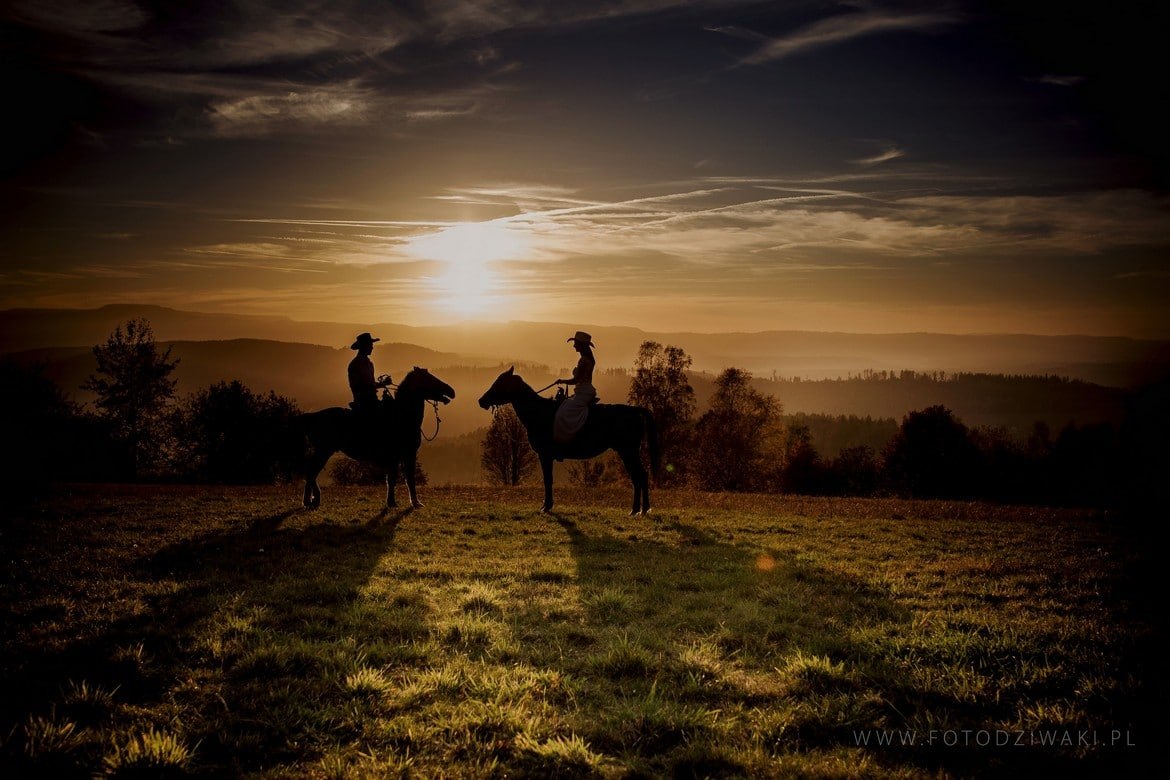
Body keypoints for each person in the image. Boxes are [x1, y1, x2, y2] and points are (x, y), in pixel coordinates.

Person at [553, 331, 598, 443]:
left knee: (562, 413)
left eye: (576, 343)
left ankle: (565, 438)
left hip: (583, 392)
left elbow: (575, 380)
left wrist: (562, 381)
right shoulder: (589, 360)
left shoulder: (583, 360)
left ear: (581, 345)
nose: (574, 346)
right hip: (585, 390)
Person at [348, 332, 392, 419]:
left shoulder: (368, 363)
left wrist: (382, 384)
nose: (372, 347)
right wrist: (382, 384)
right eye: (370, 344)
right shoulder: (357, 364)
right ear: (364, 346)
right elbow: (363, 386)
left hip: (371, 401)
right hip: (364, 403)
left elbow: (369, 384)